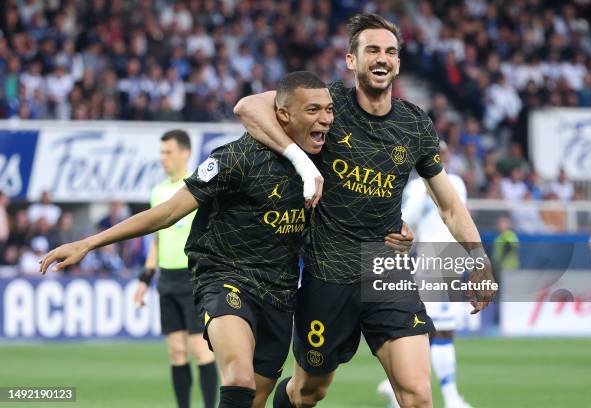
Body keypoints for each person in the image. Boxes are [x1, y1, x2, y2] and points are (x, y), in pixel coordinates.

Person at [234, 13, 496, 408]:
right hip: (327, 270)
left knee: (418, 394)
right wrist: (302, 162)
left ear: (398, 63)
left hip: (385, 267)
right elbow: (248, 108)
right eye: (372, 49)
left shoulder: (414, 125)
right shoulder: (326, 104)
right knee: (308, 393)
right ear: (351, 60)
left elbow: (449, 204)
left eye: (391, 51)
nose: (382, 58)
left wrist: (479, 259)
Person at [40, 71, 334, 408]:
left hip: (281, 293)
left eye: (328, 110)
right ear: (282, 114)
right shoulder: (236, 157)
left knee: (255, 398)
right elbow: (167, 213)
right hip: (227, 279)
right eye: (313, 110)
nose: (325, 119)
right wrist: (88, 243)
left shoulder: (326, 156)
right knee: (239, 378)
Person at [378, 141, 473, 408]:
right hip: (436, 261)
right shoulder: (431, 185)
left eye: (444, 152)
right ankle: (451, 399)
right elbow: (406, 219)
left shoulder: (432, 185)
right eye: (438, 153)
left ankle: (396, 386)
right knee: (441, 331)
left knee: (427, 330)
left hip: (444, 261)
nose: (443, 157)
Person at [131, 130, 218, 408]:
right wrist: (146, 278)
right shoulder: (157, 192)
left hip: (193, 277)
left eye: (168, 152)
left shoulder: (198, 185)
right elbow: (156, 239)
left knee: (200, 349)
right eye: (161, 153)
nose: (163, 158)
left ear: (185, 153)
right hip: (166, 279)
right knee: (176, 352)